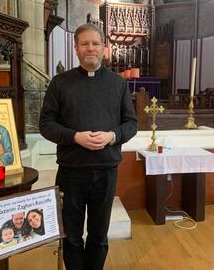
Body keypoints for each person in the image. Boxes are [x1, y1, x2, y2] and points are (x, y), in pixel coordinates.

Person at [39, 22, 138, 270]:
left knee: (98, 236)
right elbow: (46, 124)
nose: (90, 48)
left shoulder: (118, 84)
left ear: (104, 48)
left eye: (95, 43)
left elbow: (131, 123)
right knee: (71, 236)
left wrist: (112, 136)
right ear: (76, 49)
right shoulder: (60, 83)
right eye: (84, 44)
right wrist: (75, 137)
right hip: (72, 171)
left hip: (106, 170)